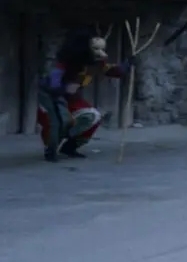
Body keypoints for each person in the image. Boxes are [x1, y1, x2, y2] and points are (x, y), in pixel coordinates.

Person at [38, 28, 132, 163]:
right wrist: (62, 89)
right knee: (59, 122)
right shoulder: (66, 63)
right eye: (95, 49)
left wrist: (127, 65)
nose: (101, 53)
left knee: (92, 117)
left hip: (71, 99)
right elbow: (54, 82)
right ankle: (51, 149)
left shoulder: (96, 63)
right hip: (52, 97)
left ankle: (70, 146)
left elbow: (113, 70)